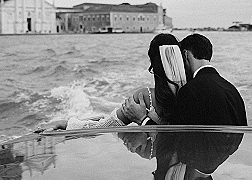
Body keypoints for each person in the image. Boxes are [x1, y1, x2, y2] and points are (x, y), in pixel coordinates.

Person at [47, 33, 187, 131]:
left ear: (153, 63)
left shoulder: (145, 97)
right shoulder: (191, 90)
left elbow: (107, 125)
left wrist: (65, 123)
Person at [122, 33, 247, 126]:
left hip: (203, 159)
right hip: (229, 160)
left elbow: (176, 142)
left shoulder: (190, 91)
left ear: (185, 54)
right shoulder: (232, 89)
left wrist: (142, 119)